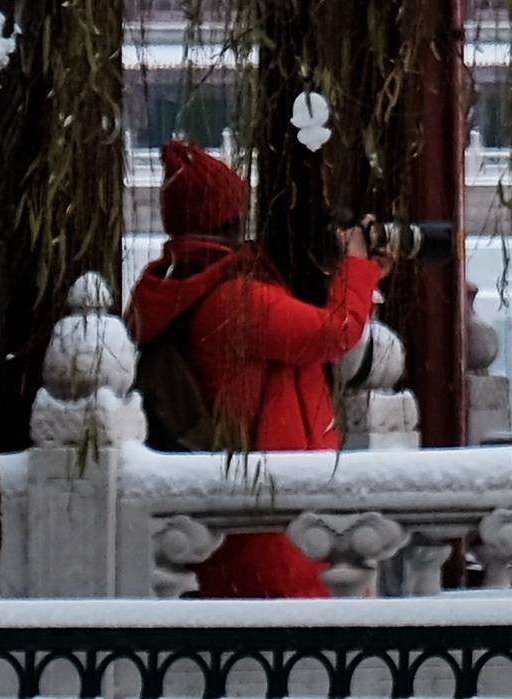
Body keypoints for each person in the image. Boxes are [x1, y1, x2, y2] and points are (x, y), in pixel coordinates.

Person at [121, 133, 385, 597]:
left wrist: (356, 276)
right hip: (277, 520)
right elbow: (335, 332)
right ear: (231, 215)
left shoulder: (185, 287)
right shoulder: (237, 300)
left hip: (250, 512)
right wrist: (358, 265)